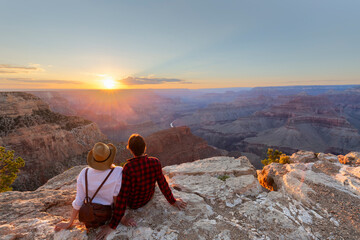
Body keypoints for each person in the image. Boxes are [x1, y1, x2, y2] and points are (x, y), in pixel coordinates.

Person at [96, 134, 187, 239]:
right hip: (148, 197)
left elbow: (122, 197)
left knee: (115, 189)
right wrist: (173, 201)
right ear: (145, 147)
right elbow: (163, 184)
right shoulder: (155, 162)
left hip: (133, 203)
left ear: (130, 150)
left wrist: (112, 225)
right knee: (155, 178)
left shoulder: (128, 168)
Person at [54, 142, 132, 231]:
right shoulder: (118, 172)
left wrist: (70, 222)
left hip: (88, 216)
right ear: (109, 158)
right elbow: (116, 199)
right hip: (106, 215)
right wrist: (122, 219)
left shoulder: (84, 173)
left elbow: (79, 200)